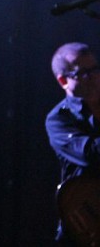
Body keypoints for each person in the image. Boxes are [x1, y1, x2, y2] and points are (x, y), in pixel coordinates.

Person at [46, 42, 100, 244]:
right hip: (86, 221)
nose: (93, 77)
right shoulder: (59, 119)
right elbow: (91, 154)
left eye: (95, 69)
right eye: (83, 73)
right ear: (63, 81)